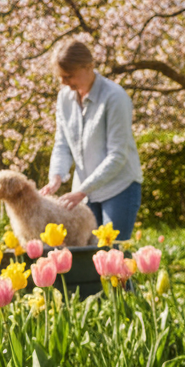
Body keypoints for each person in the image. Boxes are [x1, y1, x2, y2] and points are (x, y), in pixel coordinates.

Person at [39, 40, 143, 241]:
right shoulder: (65, 98)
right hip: (84, 193)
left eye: (69, 76)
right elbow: (62, 143)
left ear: (88, 67)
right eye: (60, 77)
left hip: (119, 187)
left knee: (114, 257)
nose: (64, 82)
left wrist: (81, 191)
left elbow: (117, 155)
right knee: (87, 256)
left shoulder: (114, 97)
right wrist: (56, 177)